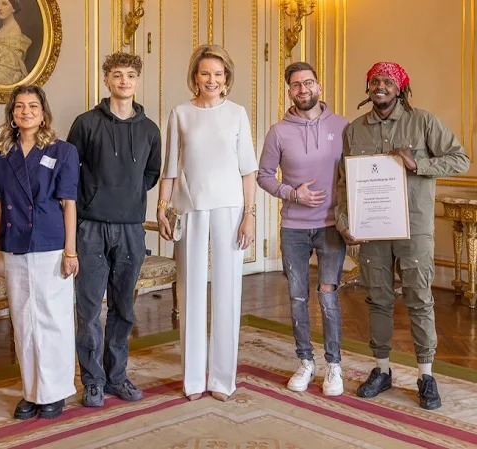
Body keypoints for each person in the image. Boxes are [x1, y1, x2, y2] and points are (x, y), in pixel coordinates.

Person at [336, 62, 470, 409]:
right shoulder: (354, 131)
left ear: (400, 88)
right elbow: (344, 181)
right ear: (368, 88)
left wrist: (418, 165)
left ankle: (426, 376)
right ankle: (381, 370)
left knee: (419, 298)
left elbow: (460, 160)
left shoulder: (424, 122)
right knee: (377, 298)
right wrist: (343, 219)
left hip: (415, 228)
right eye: (374, 81)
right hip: (373, 232)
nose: (380, 86)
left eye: (387, 81)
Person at [157, 44, 258, 402]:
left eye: (218, 74)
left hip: (231, 208)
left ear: (226, 78)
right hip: (190, 208)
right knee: (190, 292)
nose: (211, 79)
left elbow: (248, 170)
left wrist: (250, 214)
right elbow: (170, 167)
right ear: (195, 77)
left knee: (228, 292)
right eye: (205, 73)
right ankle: (193, 380)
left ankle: (223, 379)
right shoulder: (180, 113)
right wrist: (162, 207)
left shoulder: (237, 114)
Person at [66, 52, 161, 407]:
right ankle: (92, 380)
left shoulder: (150, 129)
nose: (124, 81)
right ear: (106, 80)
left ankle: (116, 376)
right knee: (89, 309)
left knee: (123, 309)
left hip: (131, 230)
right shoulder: (86, 123)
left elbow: (151, 174)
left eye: (131, 75)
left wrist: (130, 197)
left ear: (138, 81)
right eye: (117, 75)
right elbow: (69, 173)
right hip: (90, 227)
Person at [0, 85, 79, 420]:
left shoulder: (63, 151)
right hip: (14, 245)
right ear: (11, 113)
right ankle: (31, 392)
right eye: (20, 106)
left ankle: (54, 391)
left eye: (33, 106)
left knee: (53, 319)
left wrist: (71, 251)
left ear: (43, 112)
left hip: (51, 244)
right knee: (24, 320)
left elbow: (69, 204)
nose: (26, 111)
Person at [258, 62, 348, 396]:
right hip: (293, 228)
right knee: (297, 297)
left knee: (328, 295)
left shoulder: (341, 126)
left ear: (319, 86)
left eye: (308, 83)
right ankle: (306, 362)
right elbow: (264, 175)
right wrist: (292, 193)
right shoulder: (278, 131)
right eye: (296, 85)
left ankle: (334, 365)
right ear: (289, 91)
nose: (303, 89)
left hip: (331, 227)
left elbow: (354, 173)